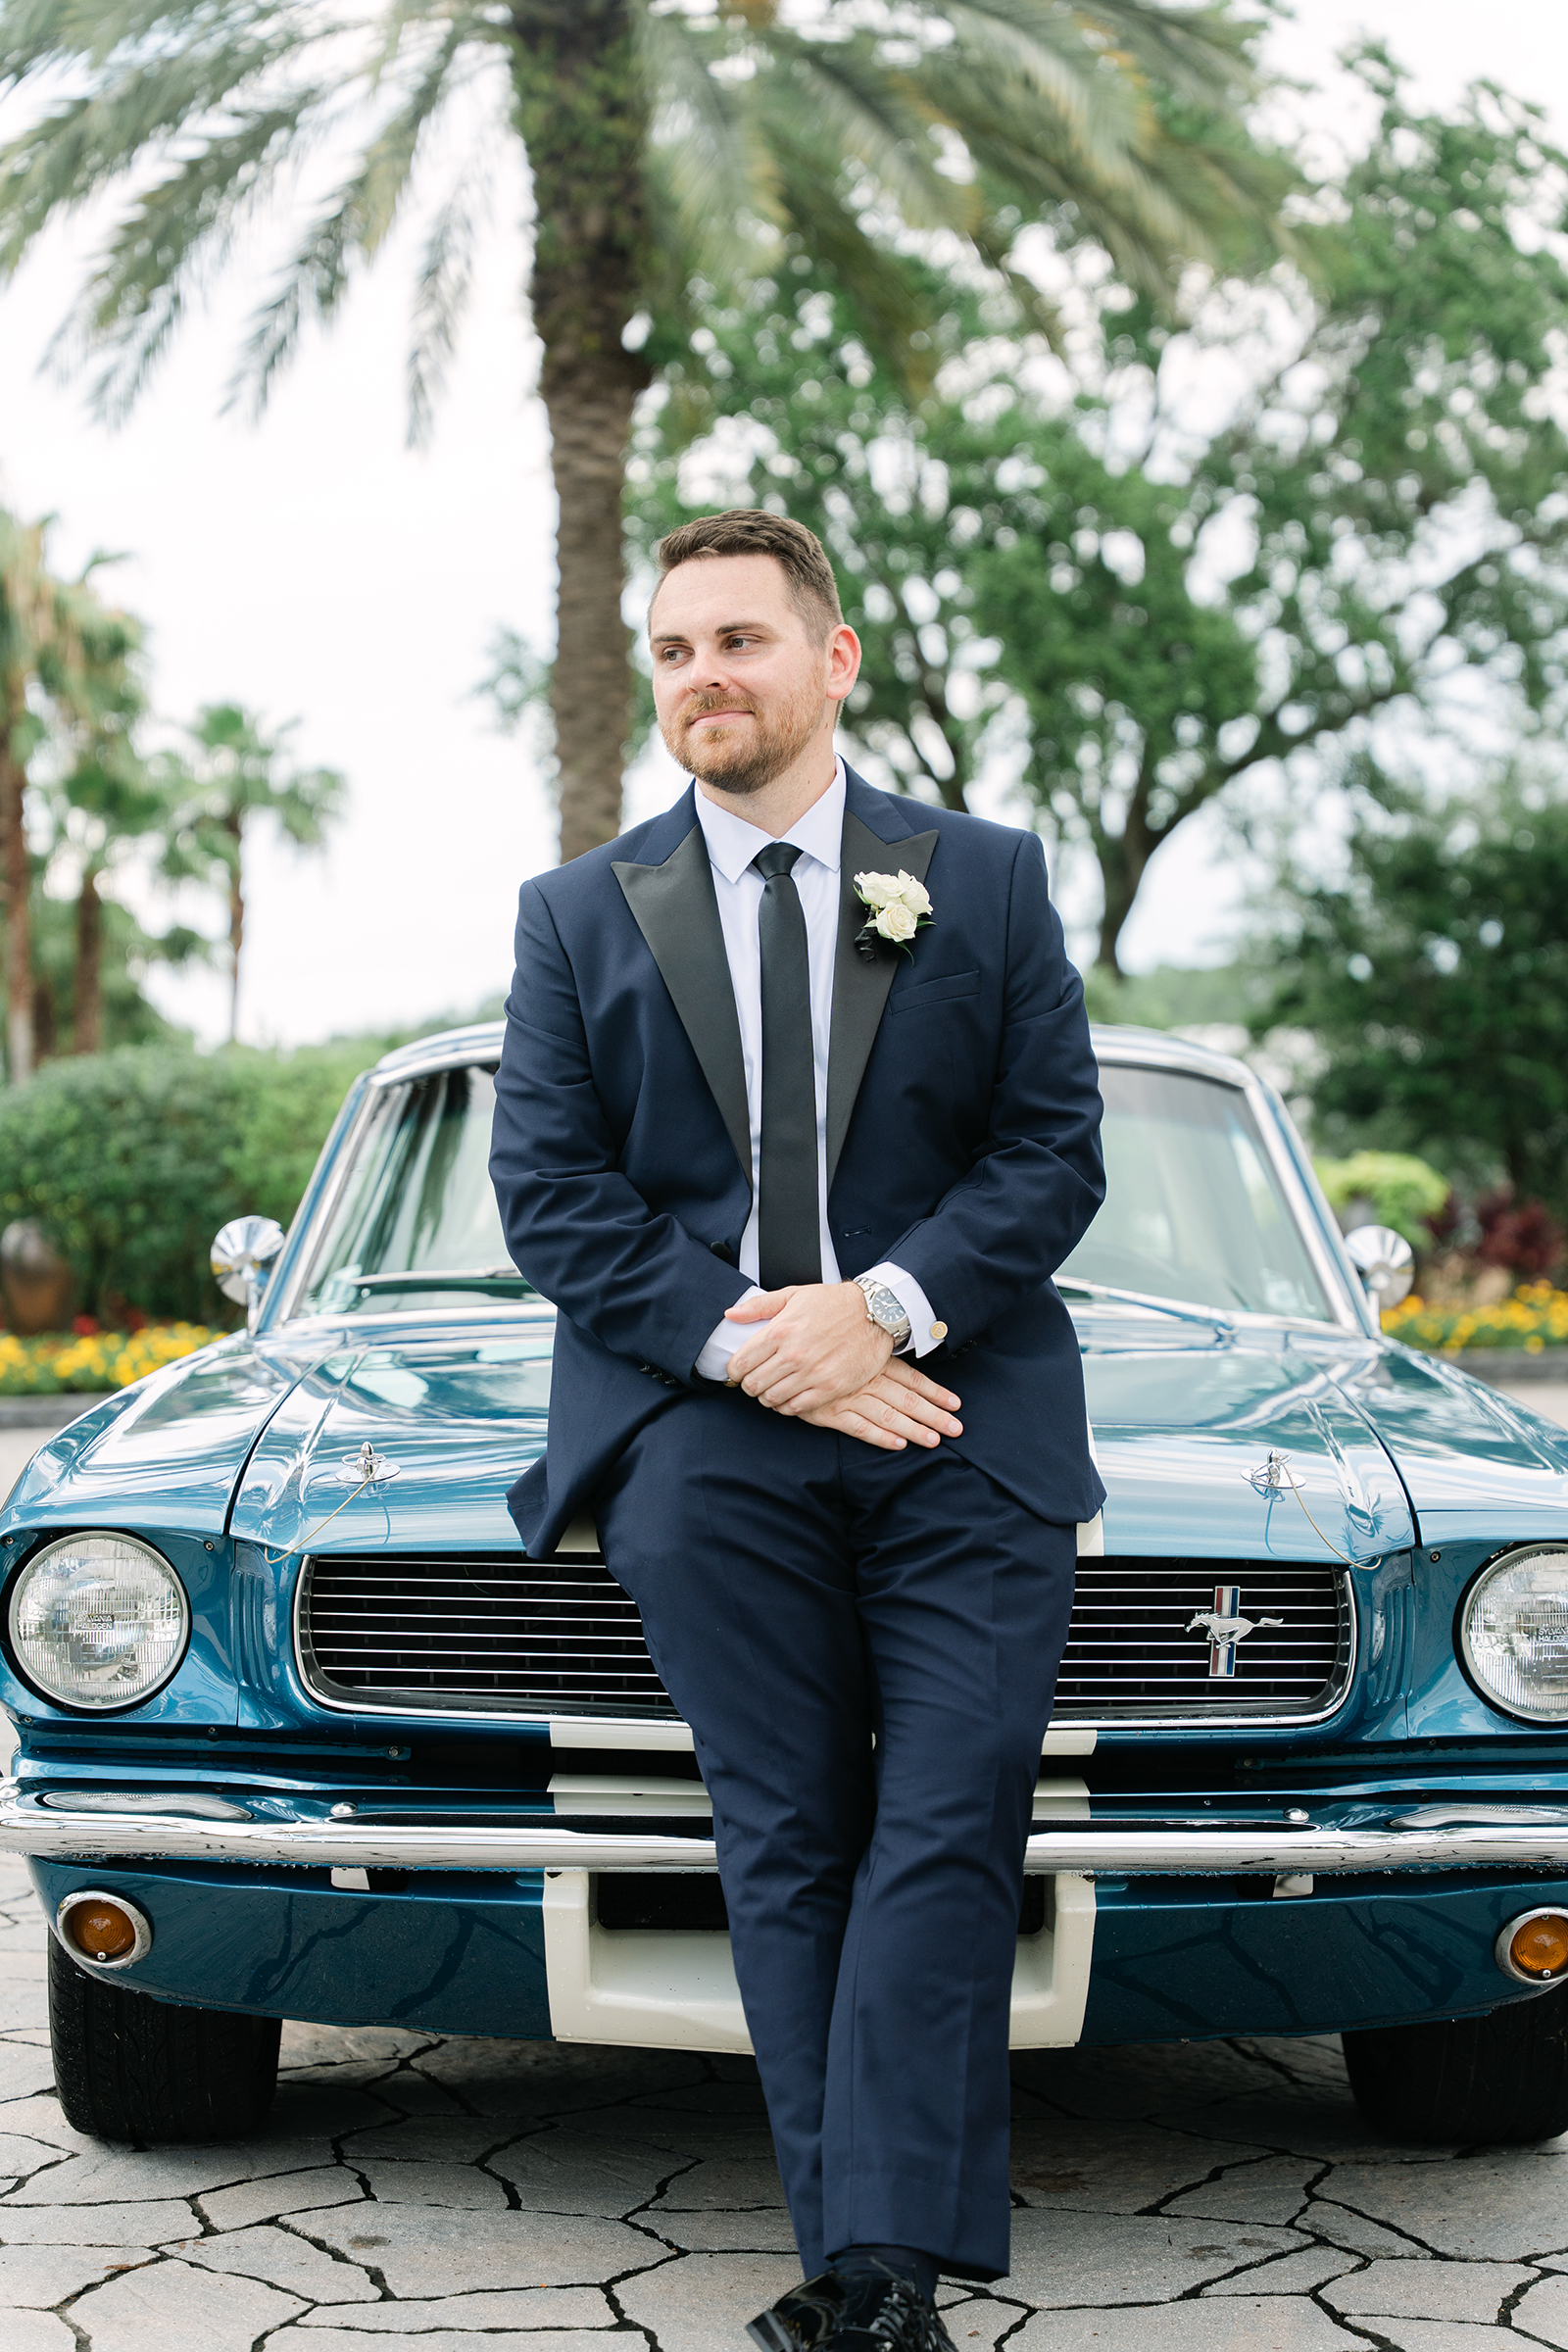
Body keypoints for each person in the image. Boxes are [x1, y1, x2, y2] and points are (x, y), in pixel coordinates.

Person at [490, 509, 1105, 2352]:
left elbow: (1051, 1146)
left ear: (834, 661)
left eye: (740, 642)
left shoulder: (980, 880)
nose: (703, 680)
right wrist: (768, 1347)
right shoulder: (576, 914)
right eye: (674, 652)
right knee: (784, 1830)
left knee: (949, 1812)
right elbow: (551, 1191)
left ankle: (866, 2272)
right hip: (698, 1429)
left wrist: (884, 1312)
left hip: (957, 1410)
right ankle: (882, 2281)